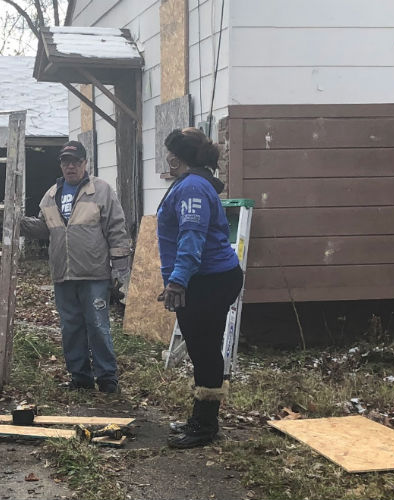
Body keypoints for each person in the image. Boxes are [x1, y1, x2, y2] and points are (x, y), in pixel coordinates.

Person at [156, 127, 244, 448]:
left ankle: (204, 427)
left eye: (168, 154)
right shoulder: (192, 183)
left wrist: (178, 281)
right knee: (202, 350)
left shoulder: (192, 187)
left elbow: (191, 239)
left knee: (204, 352)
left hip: (208, 281)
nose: (166, 159)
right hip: (206, 279)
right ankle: (204, 418)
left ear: (177, 159)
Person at [21, 141, 131, 393]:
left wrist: (120, 269)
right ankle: (80, 378)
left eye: (75, 161)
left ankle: (107, 378)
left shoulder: (101, 190)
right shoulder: (51, 195)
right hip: (63, 274)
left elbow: (117, 228)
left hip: (94, 274)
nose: (70, 166)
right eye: (65, 162)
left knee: (98, 326)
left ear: (85, 163)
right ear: (61, 165)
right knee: (70, 327)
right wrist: (18, 222)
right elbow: (44, 228)